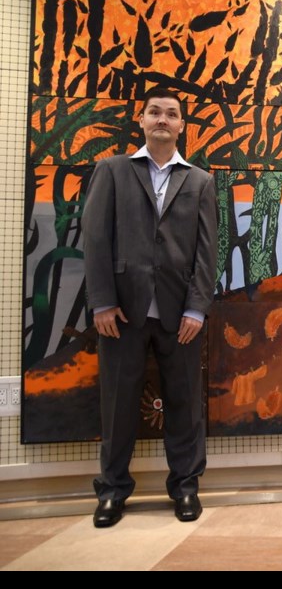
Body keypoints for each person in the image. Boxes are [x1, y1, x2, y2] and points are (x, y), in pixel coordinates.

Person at [82, 87, 217, 527]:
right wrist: (101, 301)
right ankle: (113, 491)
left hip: (181, 316)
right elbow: (97, 241)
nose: (163, 119)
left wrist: (197, 308)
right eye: (155, 112)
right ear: (141, 120)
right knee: (118, 403)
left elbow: (206, 251)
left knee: (185, 403)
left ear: (181, 126)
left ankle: (185, 486)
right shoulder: (113, 171)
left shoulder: (200, 181)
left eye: (172, 114)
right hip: (121, 314)